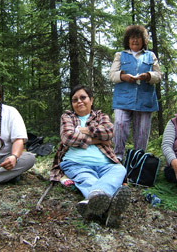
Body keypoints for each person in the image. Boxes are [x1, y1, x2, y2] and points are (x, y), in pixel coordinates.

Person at [50, 85, 131, 226]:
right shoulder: (67, 117)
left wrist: (85, 130)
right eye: (75, 100)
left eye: (83, 97)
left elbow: (109, 132)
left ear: (91, 100)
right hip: (76, 163)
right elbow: (68, 137)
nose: (79, 101)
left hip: (106, 164)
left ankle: (91, 203)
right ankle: (110, 208)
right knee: (88, 179)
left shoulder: (101, 116)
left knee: (120, 169)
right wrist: (97, 139)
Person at [109, 25, 162, 162]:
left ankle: (137, 161)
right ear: (128, 40)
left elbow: (159, 75)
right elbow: (111, 75)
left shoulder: (150, 56)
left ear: (143, 40)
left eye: (138, 38)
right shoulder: (120, 55)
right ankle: (118, 157)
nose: (135, 41)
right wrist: (123, 77)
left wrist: (148, 76)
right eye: (132, 38)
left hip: (145, 100)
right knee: (119, 124)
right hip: (122, 99)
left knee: (142, 131)